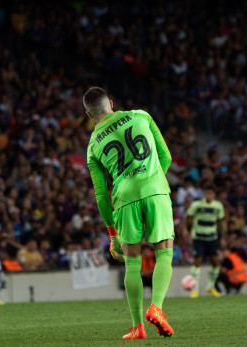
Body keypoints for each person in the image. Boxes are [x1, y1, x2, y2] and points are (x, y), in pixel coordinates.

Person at [85, 87, 174, 339]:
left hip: (124, 199)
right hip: (155, 190)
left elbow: (101, 195)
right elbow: (165, 155)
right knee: (164, 252)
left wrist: (112, 235)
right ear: (111, 103)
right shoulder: (141, 116)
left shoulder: (93, 146)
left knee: (132, 263)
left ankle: (137, 327)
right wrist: (154, 184)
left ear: (89, 114)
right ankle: (156, 307)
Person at [185, 185, 225, 298]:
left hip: (212, 238)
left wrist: (222, 237)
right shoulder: (197, 205)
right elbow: (188, 217)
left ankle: (210, 286)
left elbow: (221, 221)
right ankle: (195, 288)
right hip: (199, 237)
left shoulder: (218, 206)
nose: (208, 196)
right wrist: (187, 232)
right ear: (204, 194)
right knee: (197, 261)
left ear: (214, 194)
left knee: (216, 262)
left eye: (210, 193)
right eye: (206, 193)